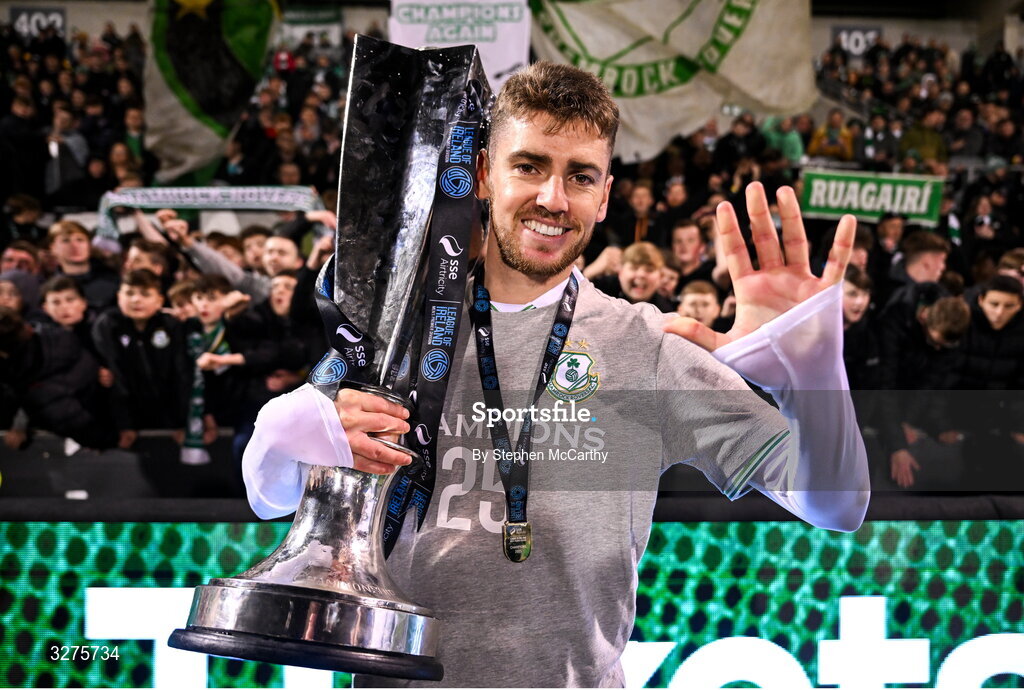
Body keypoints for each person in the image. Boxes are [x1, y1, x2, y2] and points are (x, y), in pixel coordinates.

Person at [241, 62, 869, 687]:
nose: (553, 198)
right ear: (485, 172)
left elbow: (835, 503)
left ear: (605, 196)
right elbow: (276, 499)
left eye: (580, 176)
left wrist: (814, 377)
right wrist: (278, 427)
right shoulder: (399, 321)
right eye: (529, 165)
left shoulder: (646, 346)